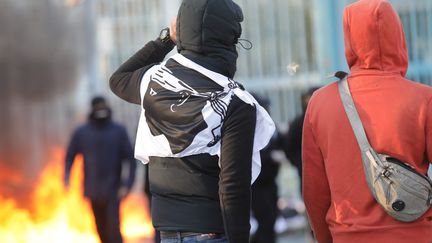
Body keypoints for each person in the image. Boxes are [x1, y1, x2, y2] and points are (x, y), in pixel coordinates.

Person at [109, 0, 275, 242]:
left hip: (166, 230)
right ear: (229, 36)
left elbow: (118, 79)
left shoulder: (153, 81)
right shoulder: (235, 102)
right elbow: (233, 186)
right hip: (212, 230)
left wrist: (167, 40)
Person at [302, 0, 432, 242]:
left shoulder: (320, 103)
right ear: (398, 36)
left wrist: (325, 237)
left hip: (347, 235)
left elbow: (314, 191)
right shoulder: (424, 98)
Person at [64, 96, 136, 243]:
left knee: (113, 230)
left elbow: (131, 159)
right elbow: (70, 157)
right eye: (97, 106)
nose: (101, 109)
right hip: (92, 190)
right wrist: (66, 178)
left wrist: (127, 185)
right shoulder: (82, 132)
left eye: (103, 106)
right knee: (100, 229)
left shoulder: (118, 131)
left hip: (114, 190)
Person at [250, 94, 282, 243]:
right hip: (257, 184)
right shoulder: (250, 128)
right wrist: (270, 156)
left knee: (271, 219)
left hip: (270, 182)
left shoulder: (269, 126)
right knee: (265, 221)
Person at [283, 87, 318, 193]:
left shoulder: (327, 119)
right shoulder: (297, 124)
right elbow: (289, 148)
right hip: (306, 173)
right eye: (306, 98)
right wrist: (300, 163)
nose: (308, 101)